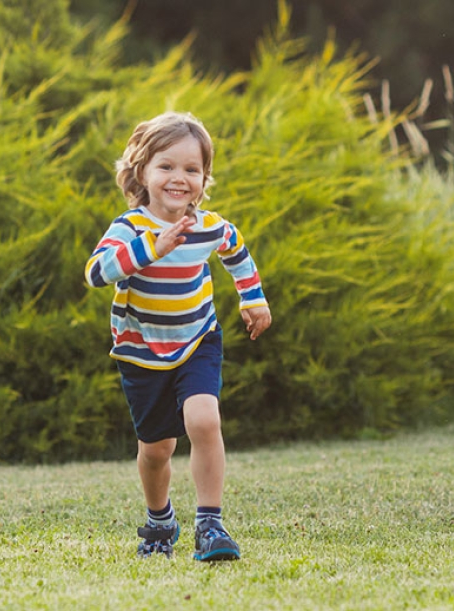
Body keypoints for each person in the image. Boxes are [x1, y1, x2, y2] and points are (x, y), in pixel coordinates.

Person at [84, 111, 271, 561]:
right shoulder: (129, 229)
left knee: (204, 420)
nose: (179, 178)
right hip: (142, 350)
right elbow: (96, 273)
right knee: (156, 450)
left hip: (198, 339)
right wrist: (153, 248)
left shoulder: (208, 226)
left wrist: (253, 298)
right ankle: (159, 520)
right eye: (166, 166)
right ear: (141, 172)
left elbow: (236, 249)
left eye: (192, 169)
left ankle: (210, 524)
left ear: (204, 178)